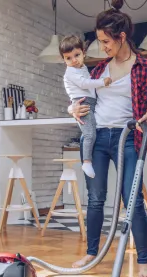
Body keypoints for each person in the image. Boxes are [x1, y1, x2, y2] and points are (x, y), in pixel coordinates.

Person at [69, 0, 147, 277]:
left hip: (128, 138)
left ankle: (144, 261)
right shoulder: (97, 71)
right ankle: (92, 252)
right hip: (97, 139)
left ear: (121, 37)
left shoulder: (146, 67)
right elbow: (78, 95)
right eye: (99, 42)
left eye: (105, 41)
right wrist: (72, 109)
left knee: (131, 200)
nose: (102, 47)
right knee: (95, 199)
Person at [60, 35, 113, 178]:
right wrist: (102, 82)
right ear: (64, 60)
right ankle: (87, 162)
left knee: (92, 132)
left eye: (76, 55)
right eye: (68, 58)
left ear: (84, 53)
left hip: (89, 102)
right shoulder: (71, 72)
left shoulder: (82, 68)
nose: (74, 60)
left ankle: (89, 160)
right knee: (89, 134)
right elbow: (84, 84)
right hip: (82, 103)